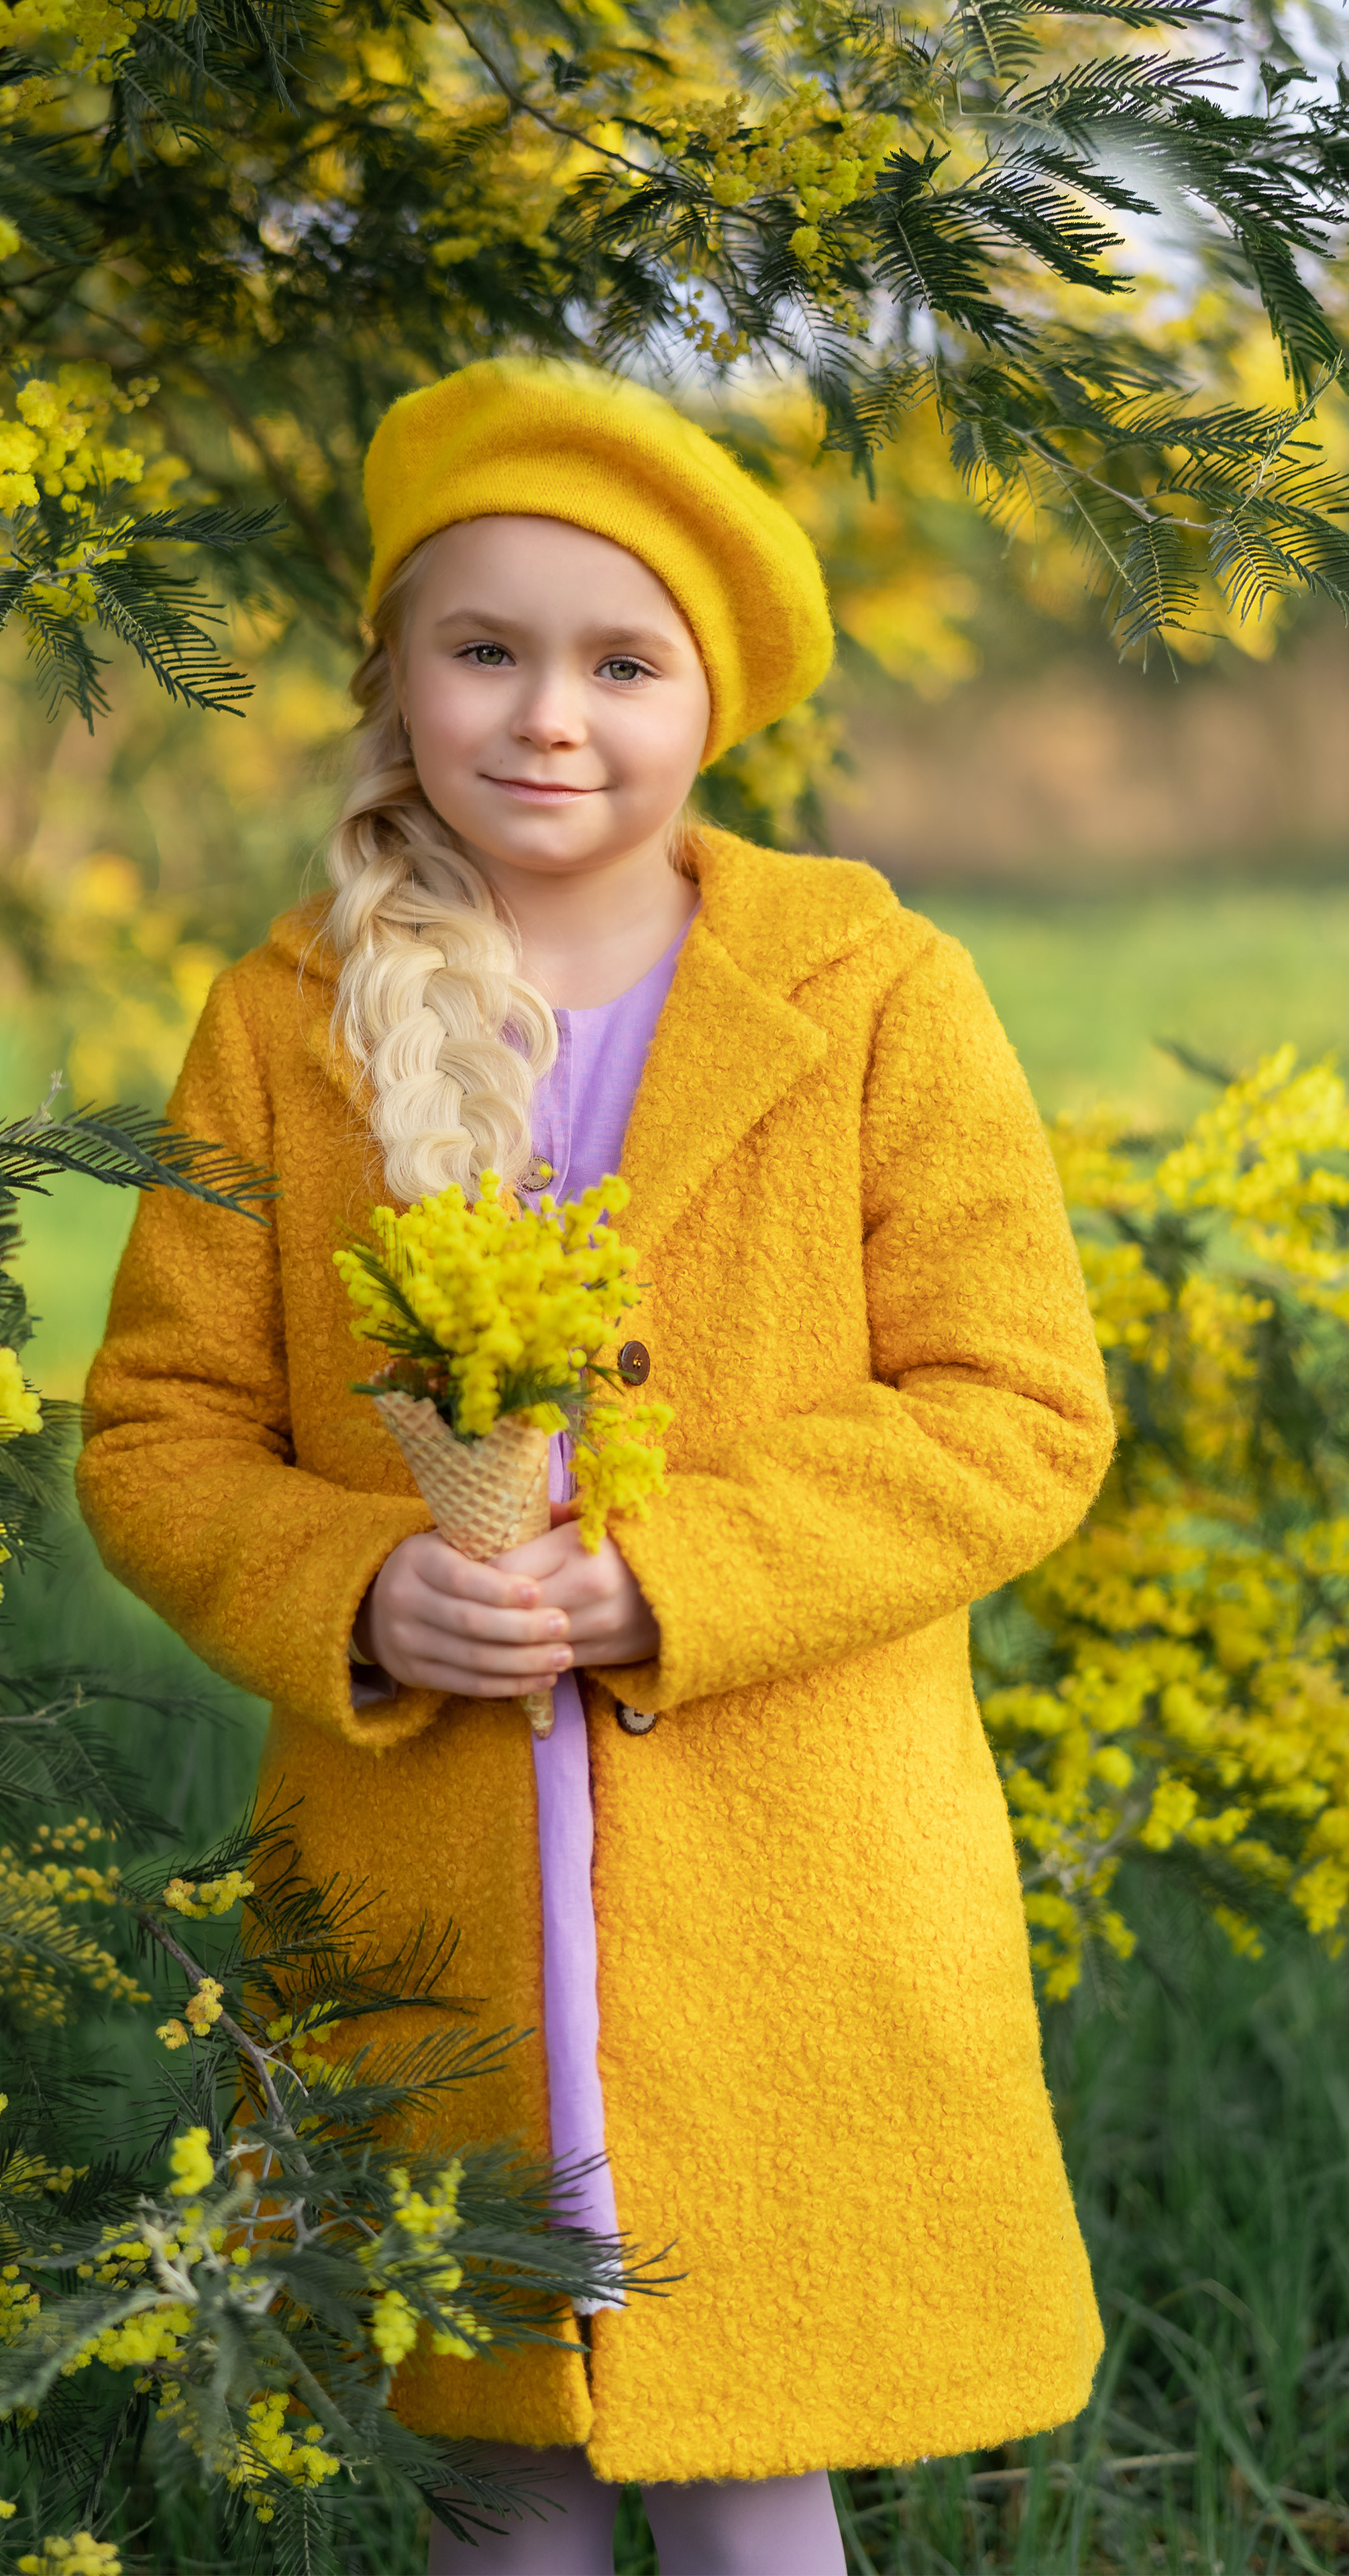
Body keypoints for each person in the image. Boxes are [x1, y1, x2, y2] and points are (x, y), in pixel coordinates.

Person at [78, 358, 1116, 2575]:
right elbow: (161, 1430)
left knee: (757, 2487)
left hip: (790, 1894)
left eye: (622, 664)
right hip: (427, 1901)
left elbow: (1015, 1406)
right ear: (399, 676)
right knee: (491, 2491)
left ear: (713, 703)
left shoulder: (871, 992)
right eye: (488, 650)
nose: (550, 718)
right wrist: (361, 1588)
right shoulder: (285, 1017)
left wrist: (677, 1577)